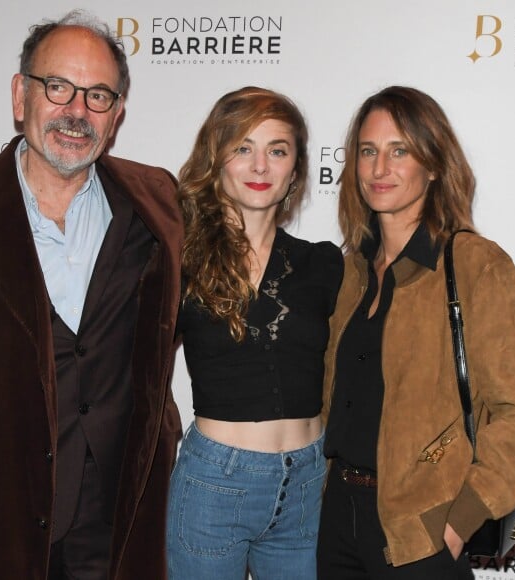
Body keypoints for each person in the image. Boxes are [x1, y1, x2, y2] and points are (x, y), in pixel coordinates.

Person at [317, 85, 515, 579]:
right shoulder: (349, 273)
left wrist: (457, 521)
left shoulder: (474, 265)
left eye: (399, 150)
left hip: (420, 529)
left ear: (433, 164)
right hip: (334, 517)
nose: (380, 168)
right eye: (368, 151)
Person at [0, 10, 183, 580]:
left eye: (97, 95)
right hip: (2, 517)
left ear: (117, 114)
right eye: (59, 87)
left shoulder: (157, 202)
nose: (76, 111)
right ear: (21, 95)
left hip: (118, 517)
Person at [165, 86, 343, 579]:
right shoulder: (179, 260)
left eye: (277, 150)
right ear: (216, 157)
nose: (260, 166)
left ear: (296, 171)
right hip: (213, 486)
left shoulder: (324, 264)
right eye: (243, 147)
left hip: (308, 485)